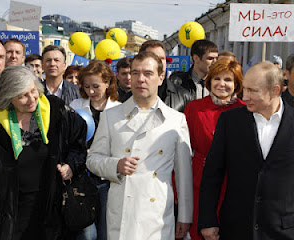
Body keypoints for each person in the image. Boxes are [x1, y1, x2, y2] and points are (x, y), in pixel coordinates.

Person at [86, 51, 193, 240]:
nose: (140, 79)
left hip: (158, 214)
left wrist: (184, 216)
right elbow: (93, 159)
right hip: (122, 213)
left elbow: (184, 174)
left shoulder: (176, 120)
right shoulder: (111, 116)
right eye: (135, 73)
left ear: (161, 78)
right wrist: (115, 165)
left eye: (148, 73)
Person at [0, 66, 87, 240]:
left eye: (33, 91)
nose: (31, 99)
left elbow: (78, 145)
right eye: (22, 96)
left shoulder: (57, 111)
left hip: (50, 207)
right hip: (7, 211)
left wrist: (71, 165)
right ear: (8, 97)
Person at [198, 62, 294, 240]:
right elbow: (212, 173)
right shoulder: (230, 120)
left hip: (284, 231)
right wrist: (207, 220)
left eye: (253, 91)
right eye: (245, 89)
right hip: (235, 228)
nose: (245, 96)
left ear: (274, 90)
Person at [184, 58, 245, 240]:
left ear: (236, 84)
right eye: (217, 79)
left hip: (234, 183)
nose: (222, 84)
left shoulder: (245, 110)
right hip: (201, 182)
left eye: (228, 80)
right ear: (209, 81)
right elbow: (184, 148)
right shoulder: (195, 108)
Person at [70, 60, 120, 240]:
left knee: (107, 230)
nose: (91, 91)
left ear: (108, 83)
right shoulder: (75, 106)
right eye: (87, 86)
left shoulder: (120, 108)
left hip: (108, 179)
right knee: (87, 232)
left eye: (96, 86)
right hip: (82, 179)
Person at [139, 40, 190, 113]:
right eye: (154, 58)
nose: (159, 62)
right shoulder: (129, 98)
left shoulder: (184, 96)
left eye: (162, 58)